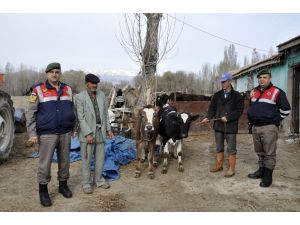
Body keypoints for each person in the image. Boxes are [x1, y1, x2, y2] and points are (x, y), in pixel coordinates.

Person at [27, 62, 76, 207]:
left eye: (57, 72)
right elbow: (31, 113)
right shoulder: (37, 90)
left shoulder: (68, 89)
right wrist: (32, 133)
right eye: (52, 72)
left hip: (65, 132)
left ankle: (63, 185)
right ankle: (43, 190)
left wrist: (73, 126)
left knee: (65, 161)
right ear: (47, 74)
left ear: (60, 73)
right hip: (47, 133)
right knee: (45, 163)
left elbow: (72, 110)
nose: (54, 74)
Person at [247, 69, 291, 187]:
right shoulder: (253, 92)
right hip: (256, 127)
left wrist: (274, 119)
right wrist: (251, 124)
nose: (262, 79)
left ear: (270, 78)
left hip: (269, 128)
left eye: (265, 77)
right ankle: (261, 171)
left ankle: (268, 176)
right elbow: (252, 108)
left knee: (269, 153)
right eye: (260, 77)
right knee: (259, 151)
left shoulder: (277, 92)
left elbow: (286, 110)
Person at [76, 73, 114, 194]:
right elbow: (80, 118)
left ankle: (99, 180)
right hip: (87, 134)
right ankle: (86, 183)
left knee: (100, 158)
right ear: (86, 83)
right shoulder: (80, 97)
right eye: (92, 83)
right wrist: (87, 134)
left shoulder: (102, 95)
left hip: (100, 132)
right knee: (86, 159)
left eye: (96, 83)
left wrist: (108, 129)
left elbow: (105, 115)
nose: (94, 85)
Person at [201, 72, 244, 177]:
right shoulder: (217, 95)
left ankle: (231, 168)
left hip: (231, 127)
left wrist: (228, 117)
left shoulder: (237, 96)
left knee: (231, 148)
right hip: (219, 126)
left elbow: (239, 111)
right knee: (219, 147)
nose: (223, 84)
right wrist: (208, 117)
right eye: (222, 82)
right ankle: (219, 165)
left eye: (224, 82)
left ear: (230, 81)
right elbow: (212, 108)